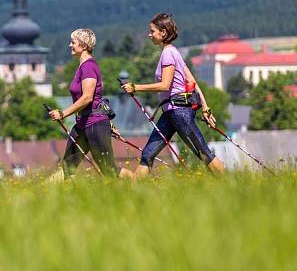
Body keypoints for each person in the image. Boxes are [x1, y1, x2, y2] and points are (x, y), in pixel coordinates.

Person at [121, 13, 225, 177]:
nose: (149, 35)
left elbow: (165, 85)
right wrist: (205, 107)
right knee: (147, 155)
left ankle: (234, 184)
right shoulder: (173, 52)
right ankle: (133, 190)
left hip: (179, 113)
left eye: (152, 31)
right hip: (170, 113)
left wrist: (136, 87)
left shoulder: (168, 54)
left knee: (204, 153)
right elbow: (192, 80)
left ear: (163, 33)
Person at [49, 29, 133, 179]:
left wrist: (63, 114)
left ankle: (136, 182)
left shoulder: (89, 66)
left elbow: (88, 97)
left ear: (84, 45)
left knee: (108, 170)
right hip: (82, 123)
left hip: (95, 124)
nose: (70, 45)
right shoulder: (82, 67)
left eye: (73, 42)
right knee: (68, 167)